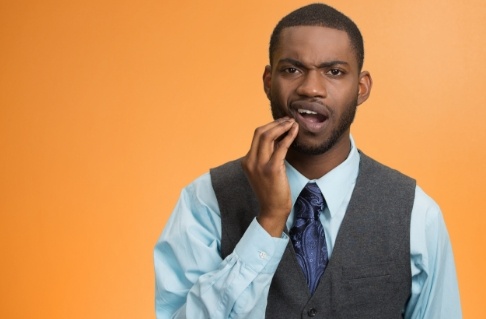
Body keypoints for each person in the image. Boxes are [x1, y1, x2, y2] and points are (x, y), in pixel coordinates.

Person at [154, 3, 461, 319]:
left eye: (334, 72)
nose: (311, 88)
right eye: (292, 69)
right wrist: (269, 221)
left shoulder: (416, 214)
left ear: (361, 87)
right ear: (268, 80)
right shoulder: (205, 202)